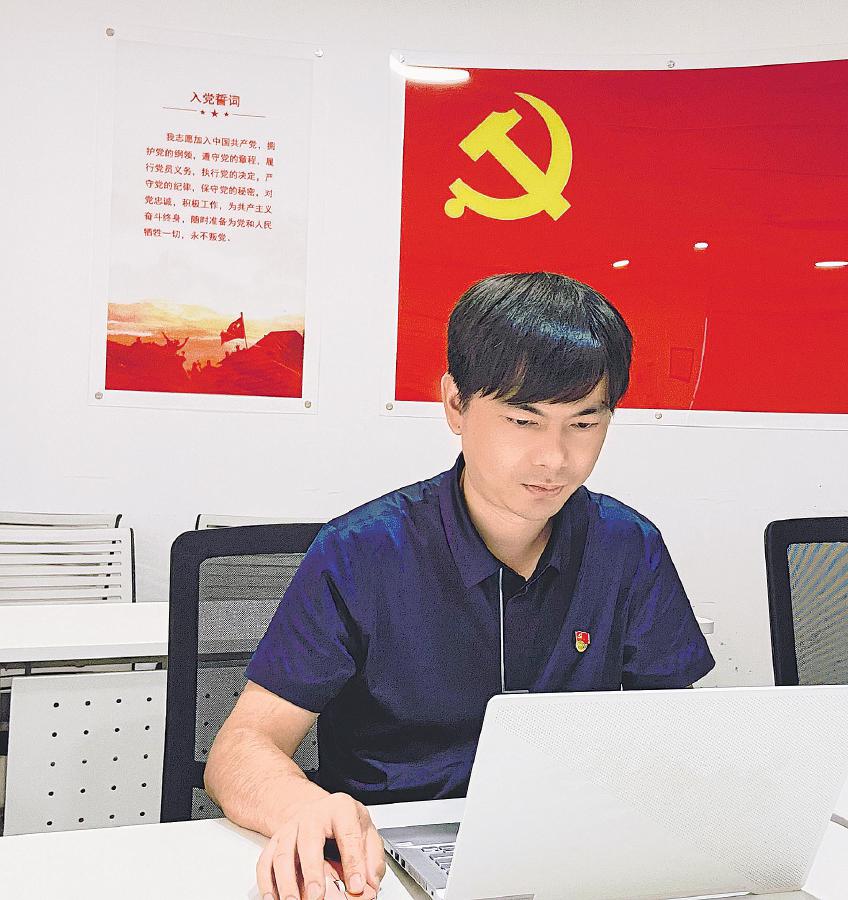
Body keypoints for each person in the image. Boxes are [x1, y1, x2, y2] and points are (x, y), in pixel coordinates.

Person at [205, 272, 716, 900]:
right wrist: (304, 807)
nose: (554, 458)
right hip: (383, 861)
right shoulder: (362, 551)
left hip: (571, 855)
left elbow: (675, 735)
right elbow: (241, 747)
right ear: (455, 405)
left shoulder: (627, 546)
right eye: (524, 421)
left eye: (584, 424)